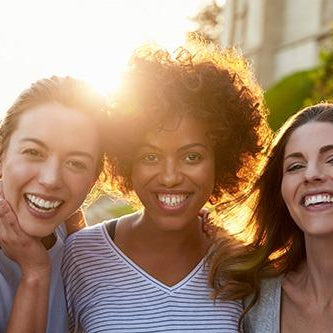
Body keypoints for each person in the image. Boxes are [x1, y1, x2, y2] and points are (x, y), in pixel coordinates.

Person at [62, 42, 271, 332]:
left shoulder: (241, 264)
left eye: (192, 156)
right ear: (127, 161)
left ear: (220, 160)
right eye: (150, 156)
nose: (170, 176)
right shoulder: (80, 255)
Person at [209, 102, 333, 332]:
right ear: (281, 190)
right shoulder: (250, 296)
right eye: (295, 166)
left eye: (332, 160)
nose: (311, 174)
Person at [0, 76, 109, 333]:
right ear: (2, 154)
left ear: (92, 180)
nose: (50, 180)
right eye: (33, 152)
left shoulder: (72, 239)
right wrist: (35, 274)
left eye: (76, 163)